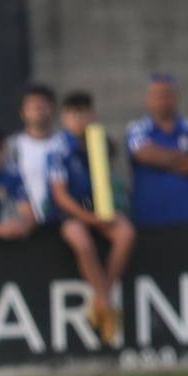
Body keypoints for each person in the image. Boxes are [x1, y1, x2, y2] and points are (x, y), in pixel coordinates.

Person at [47, 91, 136, 345]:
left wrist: (102, 213)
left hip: (99, 207)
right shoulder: (58, 148)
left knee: (126, 234)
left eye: (83, 114)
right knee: (81, 241)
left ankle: (101, 298)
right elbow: (60, 195)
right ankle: (106, 303)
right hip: (70, 211)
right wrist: (90, 218)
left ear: (92, 115)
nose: (79, 120)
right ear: (64, 118)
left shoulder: (98, 142)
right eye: (73, 115)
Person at [126, 74, 188, 226]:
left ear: (176, 98)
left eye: (167, 94)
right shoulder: (137, 129)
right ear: (147, 99)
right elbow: (144, 154)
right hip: (149, 222)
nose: (162, 100)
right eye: (157, 95)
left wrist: (160, 158)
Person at [5, 84, 60, 222]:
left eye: (42, 105)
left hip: (60, 222)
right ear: (22, 112)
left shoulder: (62, 145)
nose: (38, 110)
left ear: (52, 109)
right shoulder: (11, 146)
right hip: (25, 224)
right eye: (32, 106)